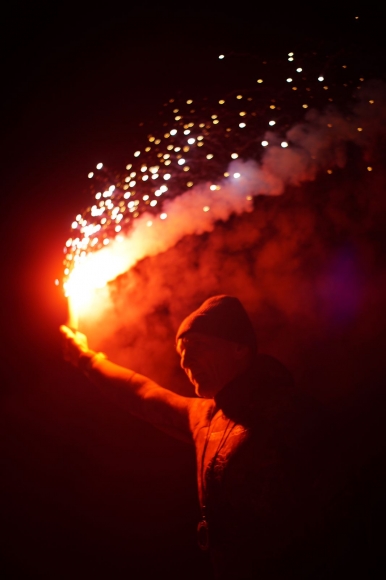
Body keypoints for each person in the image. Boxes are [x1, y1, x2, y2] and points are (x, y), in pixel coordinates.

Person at [60, 295, 336, 578]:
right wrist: (85, 359)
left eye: (197, 347)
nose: (185, 362)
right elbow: (142, 395)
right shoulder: (204, 418)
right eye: (181, 354)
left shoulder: (293, 411)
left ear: (239, 348)